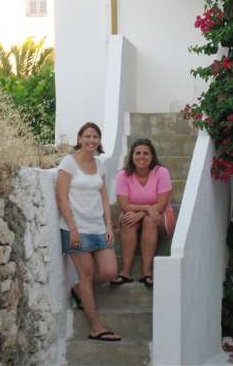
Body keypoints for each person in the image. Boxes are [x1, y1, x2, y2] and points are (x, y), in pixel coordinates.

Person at [56, 122, 121, 342]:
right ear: (80, 138)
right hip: (76, 229)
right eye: (87, 136)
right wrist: (73, 229)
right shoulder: (68, 162)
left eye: (95, 137)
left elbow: (104, 196)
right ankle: (96, 327)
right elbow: (61, 197)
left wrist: (109, 225)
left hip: (98, 228)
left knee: (110, 272)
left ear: (99, 141)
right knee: (87, 275)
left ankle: (78, 289)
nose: (91, 140)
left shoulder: (99, 164)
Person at [110, 138, 176, 288]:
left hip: (160, 215)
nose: (142, 156)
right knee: (127, 219)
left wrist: (142, 213)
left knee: (149, 220)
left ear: (152, 156)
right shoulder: (123, 175)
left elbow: (161, 204)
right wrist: (146, 208)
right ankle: (125, 273)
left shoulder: (161, 172)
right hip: (134, 214)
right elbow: (124, 205)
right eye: (138, 153)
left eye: (146, 153)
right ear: (132, 156)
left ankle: (146, 273)